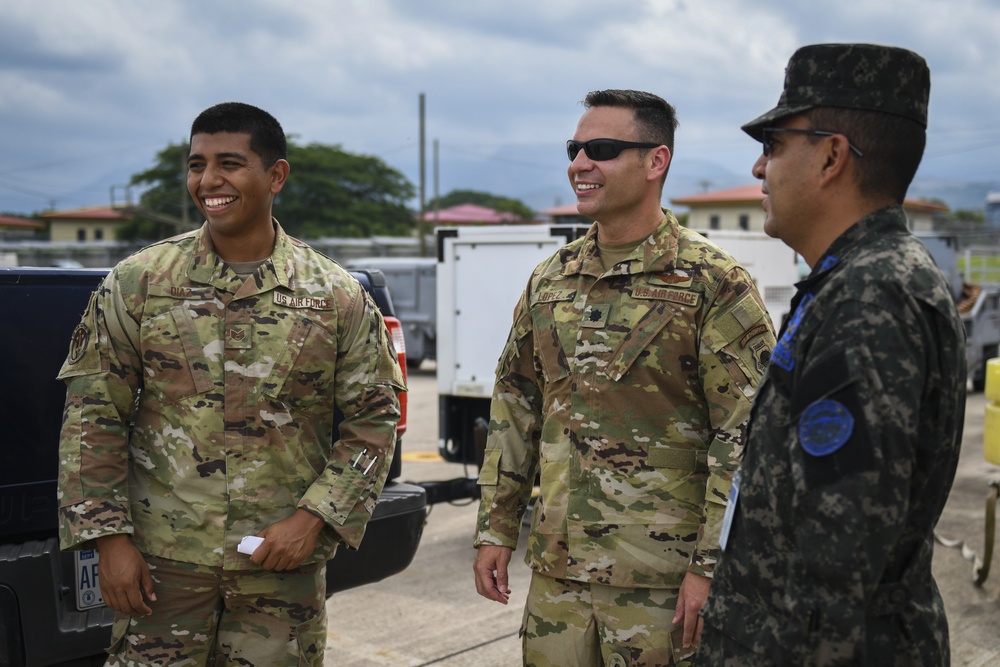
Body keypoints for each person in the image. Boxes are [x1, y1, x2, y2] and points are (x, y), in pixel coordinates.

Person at [56, 102, 406, 666]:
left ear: (276, 176)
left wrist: (312, 520)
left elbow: (373, 422)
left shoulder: (334, 295)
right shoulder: (140, 282)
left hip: (281, 567)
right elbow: (92, 416)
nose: (209, 181)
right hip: (162, 568)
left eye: (229, 163)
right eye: (197, 164)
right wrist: (109, 543)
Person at [472, 89, 775, 666]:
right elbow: (517, 406)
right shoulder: (551, 279)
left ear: (655, 161)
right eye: (575, 148)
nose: (579, 164)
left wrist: (712, 571)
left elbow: (745, 437)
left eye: (602, 149)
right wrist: (496, 527)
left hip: (663, 584)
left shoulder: (713, 282)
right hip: (558, 574)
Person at [698, 44, 967, 666]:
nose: (759, 167)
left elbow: (840, 566)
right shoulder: (853, 281)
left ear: (830, 156)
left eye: (774, 141)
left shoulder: (873, 294)